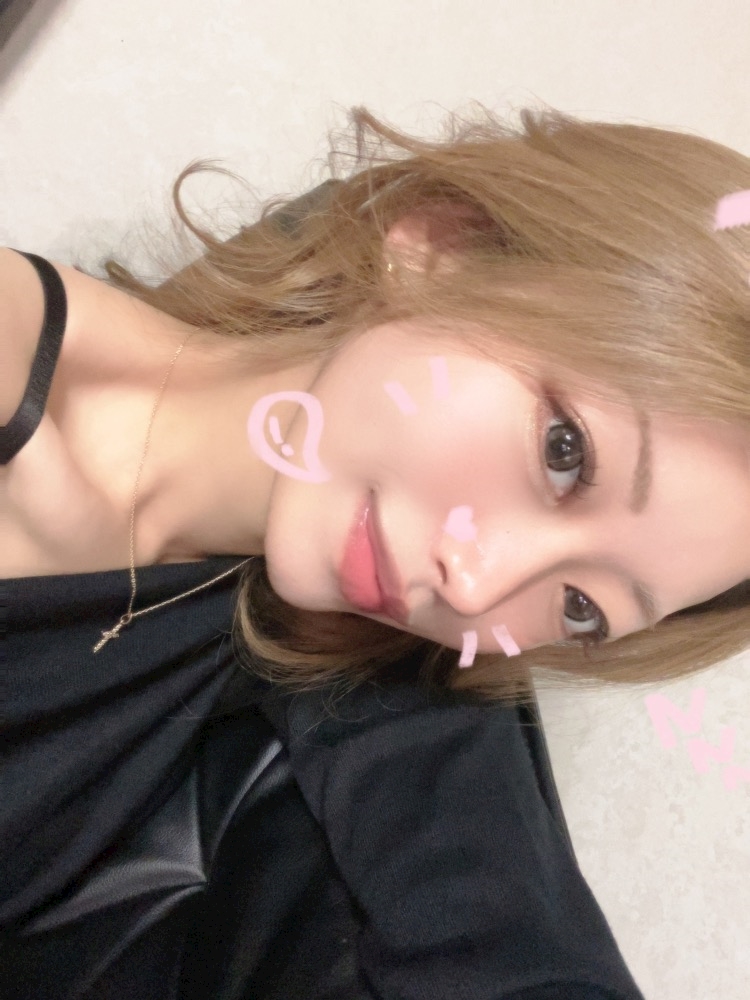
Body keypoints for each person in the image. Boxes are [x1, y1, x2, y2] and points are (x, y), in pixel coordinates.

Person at [3, 105, 749, 998]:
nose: (476, 586)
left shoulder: (320, 661)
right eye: (564, 452)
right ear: (442, 250)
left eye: (582, 607)